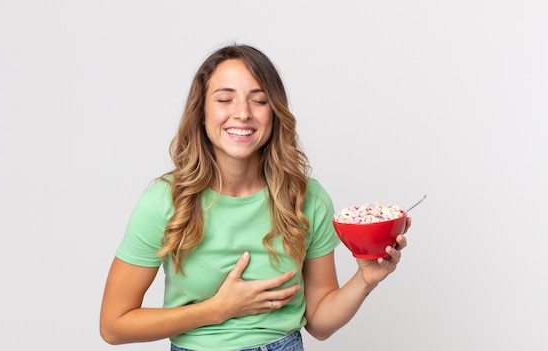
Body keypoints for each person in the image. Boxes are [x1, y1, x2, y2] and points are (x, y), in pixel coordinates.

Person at [99, 44, 411, 351]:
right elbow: (114, 325)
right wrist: (217, 309)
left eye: (259, 101)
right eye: (224, 99)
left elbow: (319, 322)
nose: (243, 113)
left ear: (274, 112)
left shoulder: (307, 198)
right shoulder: (164, 201)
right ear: (201, 112)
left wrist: (365, 280)